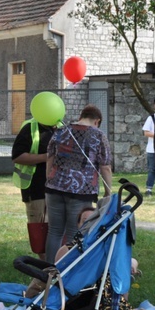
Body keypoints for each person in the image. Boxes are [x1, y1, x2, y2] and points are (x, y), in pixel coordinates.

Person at [26, 206, 149, 310]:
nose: (91, 224)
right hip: (87, 295)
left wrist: (133, 264)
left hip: (110, 293)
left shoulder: (104, 247)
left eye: (95, 220)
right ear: (79, 225)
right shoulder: (69, 249)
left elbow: (128, 259)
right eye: (86, 220)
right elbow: (60, 273)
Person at [44, 104, 112, 263]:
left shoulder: (61, 131)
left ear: (82, 116)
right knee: (75, 232)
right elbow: (105, 167)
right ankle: (68, 271)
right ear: (97, 121)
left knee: (54, 231)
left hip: (54, 187)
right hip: (81, 191)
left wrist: (49, 179)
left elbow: (50, 157)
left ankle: (47, 272)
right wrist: (108, 192)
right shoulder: (99, 135)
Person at [12, 117, 54, 259]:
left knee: (54, 229)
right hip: (35, 188)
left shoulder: (61, 127)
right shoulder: (30, 128)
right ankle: (45, 269)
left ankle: (55, 267)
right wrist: (46, 157)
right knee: (40, 230)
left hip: (57, 189)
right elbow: (17, 156)